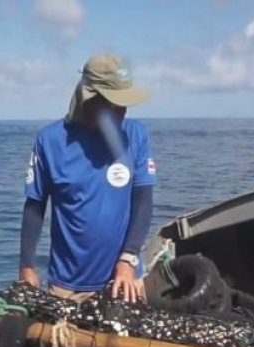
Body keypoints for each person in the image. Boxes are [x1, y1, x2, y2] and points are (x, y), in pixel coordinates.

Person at [19, 52, 158, 304]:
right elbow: (35, 206)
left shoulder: (136, 135)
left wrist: (128, 259)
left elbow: (143, 203)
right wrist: (27, 265)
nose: (123, 111)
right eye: (116, 104)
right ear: (89, 99)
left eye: (125, 103)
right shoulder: (49, 141)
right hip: (67, 287)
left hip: (124, 280)